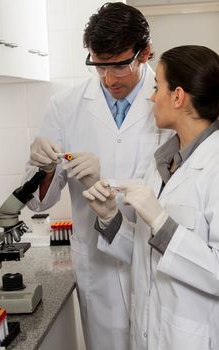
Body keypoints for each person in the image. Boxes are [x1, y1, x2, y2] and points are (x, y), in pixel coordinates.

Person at [24, 3, 171, 350]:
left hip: (157, 265)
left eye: (119, 65)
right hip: (100, 268)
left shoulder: (169, 100)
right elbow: (38, 200)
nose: (109, 79)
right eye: (99, 66)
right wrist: (45, 168)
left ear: (144, 52)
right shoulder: (65, 106)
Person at [83, 45, 219, 350]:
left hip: (194, 338)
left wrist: (161, 221)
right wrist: (109, 217)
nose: (150, 96)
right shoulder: (164, 163)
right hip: (149, 333)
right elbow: (147, 256)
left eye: (157, 87)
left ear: (178, 96)